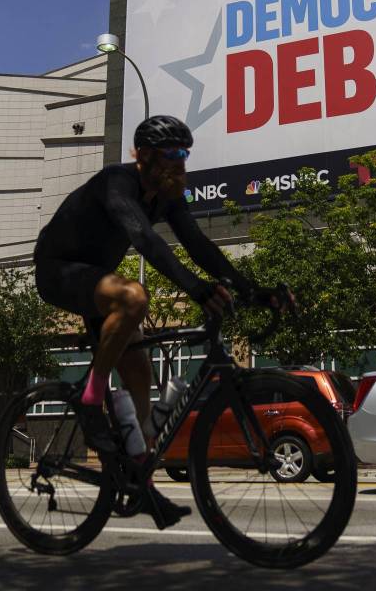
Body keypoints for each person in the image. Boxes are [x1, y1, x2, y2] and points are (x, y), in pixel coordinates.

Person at [33, 114, 289, 528]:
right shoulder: (116, 181)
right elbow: (144, 239)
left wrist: (250, 290)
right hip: (58, 270)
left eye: (185, 153)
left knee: (140, 377)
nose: (181, 163)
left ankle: (139, 480)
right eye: (172, 154)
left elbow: (199, 245)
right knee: (135, 298)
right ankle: (91, 398)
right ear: (145, 156)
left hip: (99, 283)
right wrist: (195, 288)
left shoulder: (167, 197)